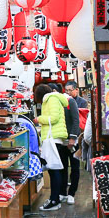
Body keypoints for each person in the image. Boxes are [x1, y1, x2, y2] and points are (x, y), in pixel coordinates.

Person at [34, 83, 68, 211]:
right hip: (54, 138)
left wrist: (39, 119)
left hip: (53, 138)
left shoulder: (51, 99)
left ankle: (55, 200)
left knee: (54, 170)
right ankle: (55, 198)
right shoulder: (53, 98)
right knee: (54, 169)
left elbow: (53, 118)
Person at [52, 83, 81, 204]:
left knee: (74, 167)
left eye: (70, 90)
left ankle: (72, 193)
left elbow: (76, 120)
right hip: (61, 140)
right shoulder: (57, 103)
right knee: (62, 166)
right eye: (66, 90)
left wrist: (73, 138)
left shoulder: (71, 102)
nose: (68, 92)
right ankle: (63, 192)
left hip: (73, 140)